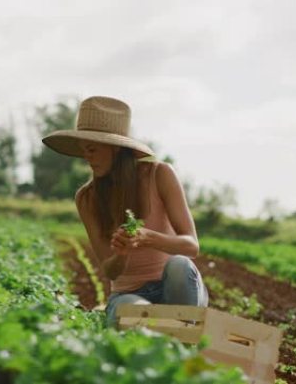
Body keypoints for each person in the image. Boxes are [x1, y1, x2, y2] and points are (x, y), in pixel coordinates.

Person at [42, 96, 208, 328]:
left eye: (92, 149)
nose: (87, 157)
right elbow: (109, 271)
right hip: (129, 294)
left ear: (116, 149)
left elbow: (192, 246)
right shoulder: (87, 198)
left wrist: (149, 238)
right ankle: (176, 332)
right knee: (131, 310)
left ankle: (176, 329)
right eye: (83, 151)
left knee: (179, 265)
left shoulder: (159, 175)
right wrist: (121, 253)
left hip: (175, 290)